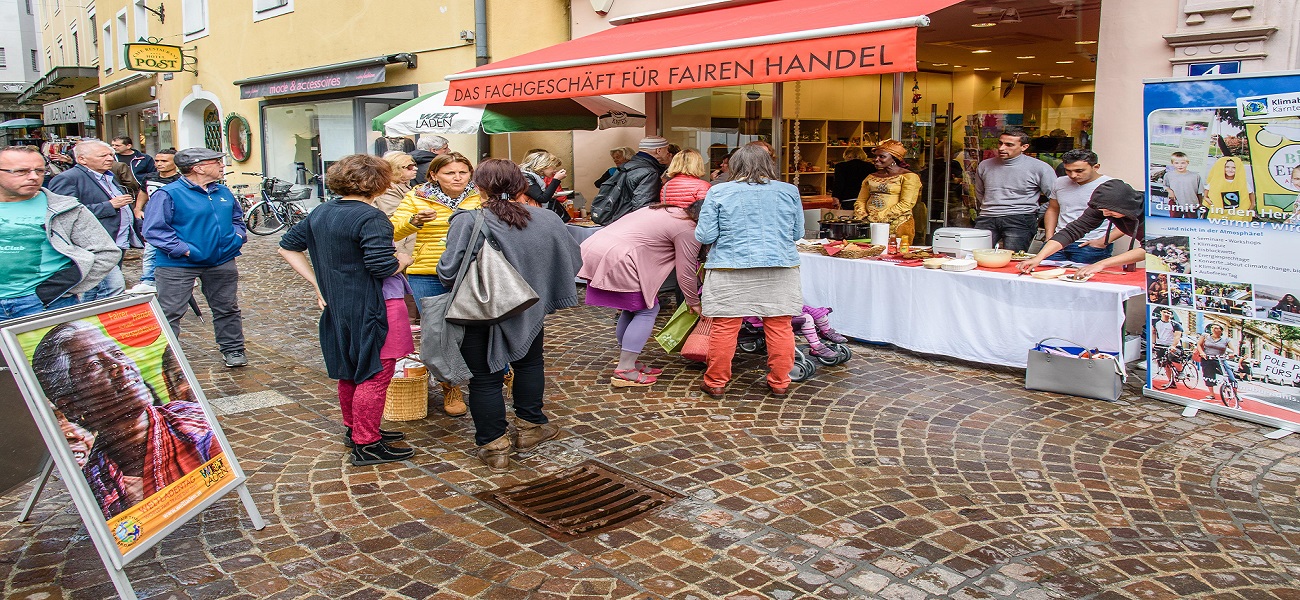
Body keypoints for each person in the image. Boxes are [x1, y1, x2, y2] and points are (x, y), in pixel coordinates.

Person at [437, 159, 582, 472]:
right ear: (522, 186)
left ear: (478, 187)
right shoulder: (547, 219)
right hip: (530, 308)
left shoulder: (467, 221)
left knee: (485, 380)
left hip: (480, 312)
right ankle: (530, 430)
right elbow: (572, 259)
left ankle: (494, 447)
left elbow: (448, 272)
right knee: (529, 365)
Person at [278, 155, 417, 466]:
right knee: (376, 371)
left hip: (340, 304)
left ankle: (357, 429)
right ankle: (367, 443)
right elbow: (382, 267)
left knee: (352, 369)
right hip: (374, 304)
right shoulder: (371, 217)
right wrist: (405, 259)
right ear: (380, 183)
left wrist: (317, 284)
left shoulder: (321, 211)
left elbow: (287, 246)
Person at [32, 321, 221, 519]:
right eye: (94, 365)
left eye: (118, 353)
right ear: (71, 406)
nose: (120, 366)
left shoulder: (198, 428)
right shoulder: (95, 482)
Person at [694, 144, 804, 400]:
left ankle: (716, 382)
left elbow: (706, 234)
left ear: (734, 166)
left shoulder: (719, 191)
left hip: (729, 266)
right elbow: (797, 233)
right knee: (779, 325)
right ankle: (780, 382)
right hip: (779, 266)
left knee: (724, 326)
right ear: (769, 164)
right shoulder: (789, 191)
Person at [579, 185, 704, 387]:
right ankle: (625, 368)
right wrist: (694, 302)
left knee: (632, 309)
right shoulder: (688, 228)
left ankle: (629, 359)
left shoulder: (668, 209)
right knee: (648, 310)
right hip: (619, 257)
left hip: (597, 247)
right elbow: (686, 271)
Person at [389, 152, 481, 416]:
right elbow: (392, 229)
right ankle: (449, 384)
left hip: (470, 270)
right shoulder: (417, 197)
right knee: (438, 331)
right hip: (428, 273)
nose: (457, 177)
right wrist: (412, 222)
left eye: (462, 172)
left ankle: (483, 377)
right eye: (450, 173)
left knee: (476, 326)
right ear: (434, 175)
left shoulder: (479, 195)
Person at [142, 148, 250, 368]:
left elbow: (237, 219)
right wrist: (185, 250)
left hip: (221, 261)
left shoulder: (223, 192)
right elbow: (154, 230)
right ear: (198, 167)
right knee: (170, 311)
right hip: (177, 265)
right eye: (216, 162)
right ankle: (164, 356)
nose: (222, 166)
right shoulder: (168, 194)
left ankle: (233, 349)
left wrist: (237, 237)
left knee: (227, 307)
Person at [0, 147, 120, 322]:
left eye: (40, 171)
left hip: (45, 305)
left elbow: (107, 253)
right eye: (21, 171)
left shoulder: (65, 208)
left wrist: (58, 289)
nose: (33, 176)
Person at [48, 139, 140, 300]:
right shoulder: (68, 178)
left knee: (94, 290)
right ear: (82, 159)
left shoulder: (108, 176)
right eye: (103, 155)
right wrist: (109, 205)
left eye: (111, 154)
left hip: (116, 242)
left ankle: (89, 321)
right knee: (113, 288)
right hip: (94, 246)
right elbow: (64, 214)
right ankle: (110, 322)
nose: (110, 158)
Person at [1017, 178, 1146, 279]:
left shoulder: (1151, 212)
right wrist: (1039, 257)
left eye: (1110, 212)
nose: (1105, 215)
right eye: (1102, 211)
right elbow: (1072, 231)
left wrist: (1101, 264)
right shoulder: (1103, 207)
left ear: (1125, 206)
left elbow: (1151, 248)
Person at [973, 129, 1057, 251]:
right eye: (1000, 143)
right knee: (975, 255)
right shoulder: (985, 165)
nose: (1002, 148)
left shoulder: (1040, 167)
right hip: (987, 216)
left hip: (1020, 218)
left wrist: (1036, 213)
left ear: (1024, 147)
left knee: (1013, 258)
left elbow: (1055, 197)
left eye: (1009, 145)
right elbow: (980, 192)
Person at [1043, 149, 1123, 265]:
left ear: (1095, 167)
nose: (1073, 175)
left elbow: (1129, 219)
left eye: (1079, 171)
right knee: (1043, 276)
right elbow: (1053, 209)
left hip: (1090, 245)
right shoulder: (1060, 182)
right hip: (1058, 241)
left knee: (1084, 280)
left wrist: (1102, 241)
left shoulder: (1112, 186)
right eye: (1068, 171)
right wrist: (1049, 236)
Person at [129, 149, 182, 294]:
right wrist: (138, 209)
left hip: (173, 220)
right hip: (153, 219)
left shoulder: (180, 180)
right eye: (157, 161)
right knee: (150, 250)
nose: (159, 164)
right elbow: (144, 192)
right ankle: (148, 280)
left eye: (164, 161)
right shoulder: (149, 177)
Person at [854, 139, 920, 240]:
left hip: (897, 223)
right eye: (875, 156)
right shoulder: (871, 177)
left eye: (882, 156)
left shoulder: (908, 177)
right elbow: (860, 200)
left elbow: (906, 203)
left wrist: (878, 217)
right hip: (868, 223)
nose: (876, 159)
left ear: (894, 158)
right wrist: (863, 216)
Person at [599, 136, 672, 224]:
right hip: (630, 223)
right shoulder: (649, 172)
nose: (668, 153)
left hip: (617, 219)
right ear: (658, 150)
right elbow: (643, 206)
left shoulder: (627, 166)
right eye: (667, 149)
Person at [375, 151, 419, 255]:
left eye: (414, 165)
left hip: (407, 238)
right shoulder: (388, 190)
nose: (415, 168)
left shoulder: (405, 185)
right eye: (409, 167)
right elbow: (394, 216)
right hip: (400, 241)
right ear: (396, 169)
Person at [520, 151, 571, 221]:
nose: (555, 171)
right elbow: (542, 198)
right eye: (553, 168)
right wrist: (556, 179)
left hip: (534, 214)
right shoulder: (526, 177)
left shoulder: (533, 176)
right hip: (531, 215)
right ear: (543, 166)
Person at [1204, 156, 1254, 222]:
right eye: (1227, 167)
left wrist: (1251, 207)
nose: (1230, 170)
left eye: (1234, 167)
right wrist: (1213, 204)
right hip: (1219, 214)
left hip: (1237, 215)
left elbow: (1251, 194)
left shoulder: (1242, 182)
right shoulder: (1215, 181)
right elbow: (1205, 196)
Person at [1149, 308, 1185, 390]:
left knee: (1173, 357)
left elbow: (1177, 336)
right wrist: (1153, 343)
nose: (1166, 314)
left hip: (1173, 345)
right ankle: (1171, 382)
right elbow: (1153, 332)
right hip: (1161, 344)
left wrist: (1173, 345)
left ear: (1171, 315)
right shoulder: (1155, 322)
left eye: (1168, 313)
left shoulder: (1175, 324)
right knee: (1164, 363)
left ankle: (1180, 371)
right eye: (1164, 312)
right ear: (1161, 312)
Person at [1163, 152, 1203, 219]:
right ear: (1172, 163)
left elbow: (1199, 192)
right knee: (1174, 221)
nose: (1180, 165)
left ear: (1187, 163)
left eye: (1183, 163)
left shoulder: (1195, 176)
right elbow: (1165, 185)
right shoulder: (1168, 175)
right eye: (1176, 163)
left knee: (1191, 223)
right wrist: (1170, 191)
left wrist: (1200, 204)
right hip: (1175, 203)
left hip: (1191, 204)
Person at [1197, 323, 1232, 401]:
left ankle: (1234, 392)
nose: (1214, 329)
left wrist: (1233, 353)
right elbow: (1199, 344)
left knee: (1229, 375)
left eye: (1216, 328)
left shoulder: (1226, 339)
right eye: (1213, 327)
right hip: (1207, 358)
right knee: (1208, 376)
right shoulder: (1205, 336)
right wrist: (1202, 352)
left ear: (1221, 330)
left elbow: (1233, 349)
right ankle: (1211, 394)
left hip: (1220, 359)